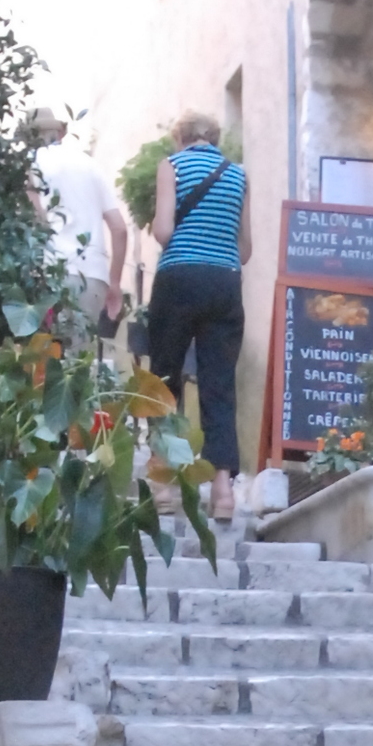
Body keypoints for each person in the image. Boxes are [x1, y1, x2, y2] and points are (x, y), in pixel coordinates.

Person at [135, 111, 249, 526]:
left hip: (179, 279)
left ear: (179, 137)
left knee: (164, 380)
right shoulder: (238, 175)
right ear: (215, 139)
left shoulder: (173, 165)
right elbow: (245, 249)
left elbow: (164, 232)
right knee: (219, 386)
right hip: (224, 283)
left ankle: (164, 484)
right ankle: (222, 492)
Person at [31, 110, 128, 337]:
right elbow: (120, 229)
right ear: (61, 133)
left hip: (48, 271)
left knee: (42, 355)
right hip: (92, 275)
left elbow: (36, 218)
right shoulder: (90, 165)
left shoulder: (31, 164)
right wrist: (114, 283)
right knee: (77, 355)